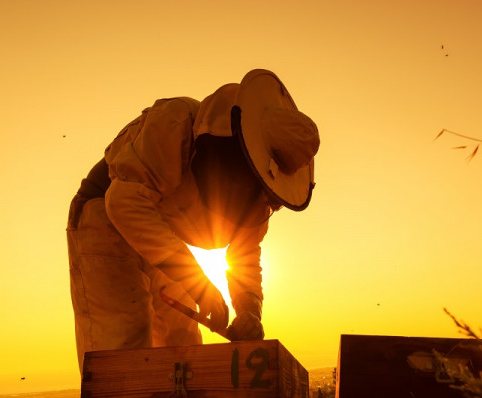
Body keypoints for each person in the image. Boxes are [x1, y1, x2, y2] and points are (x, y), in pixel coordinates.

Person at [66, 69, 319, 372]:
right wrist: (198, 285)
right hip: (104, 220)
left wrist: (249, 309)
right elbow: (125, 204)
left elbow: (245, 255)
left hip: (164, 235)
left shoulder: (259, 195)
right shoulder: (175, 122)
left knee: (181, 349)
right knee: (123, 350)